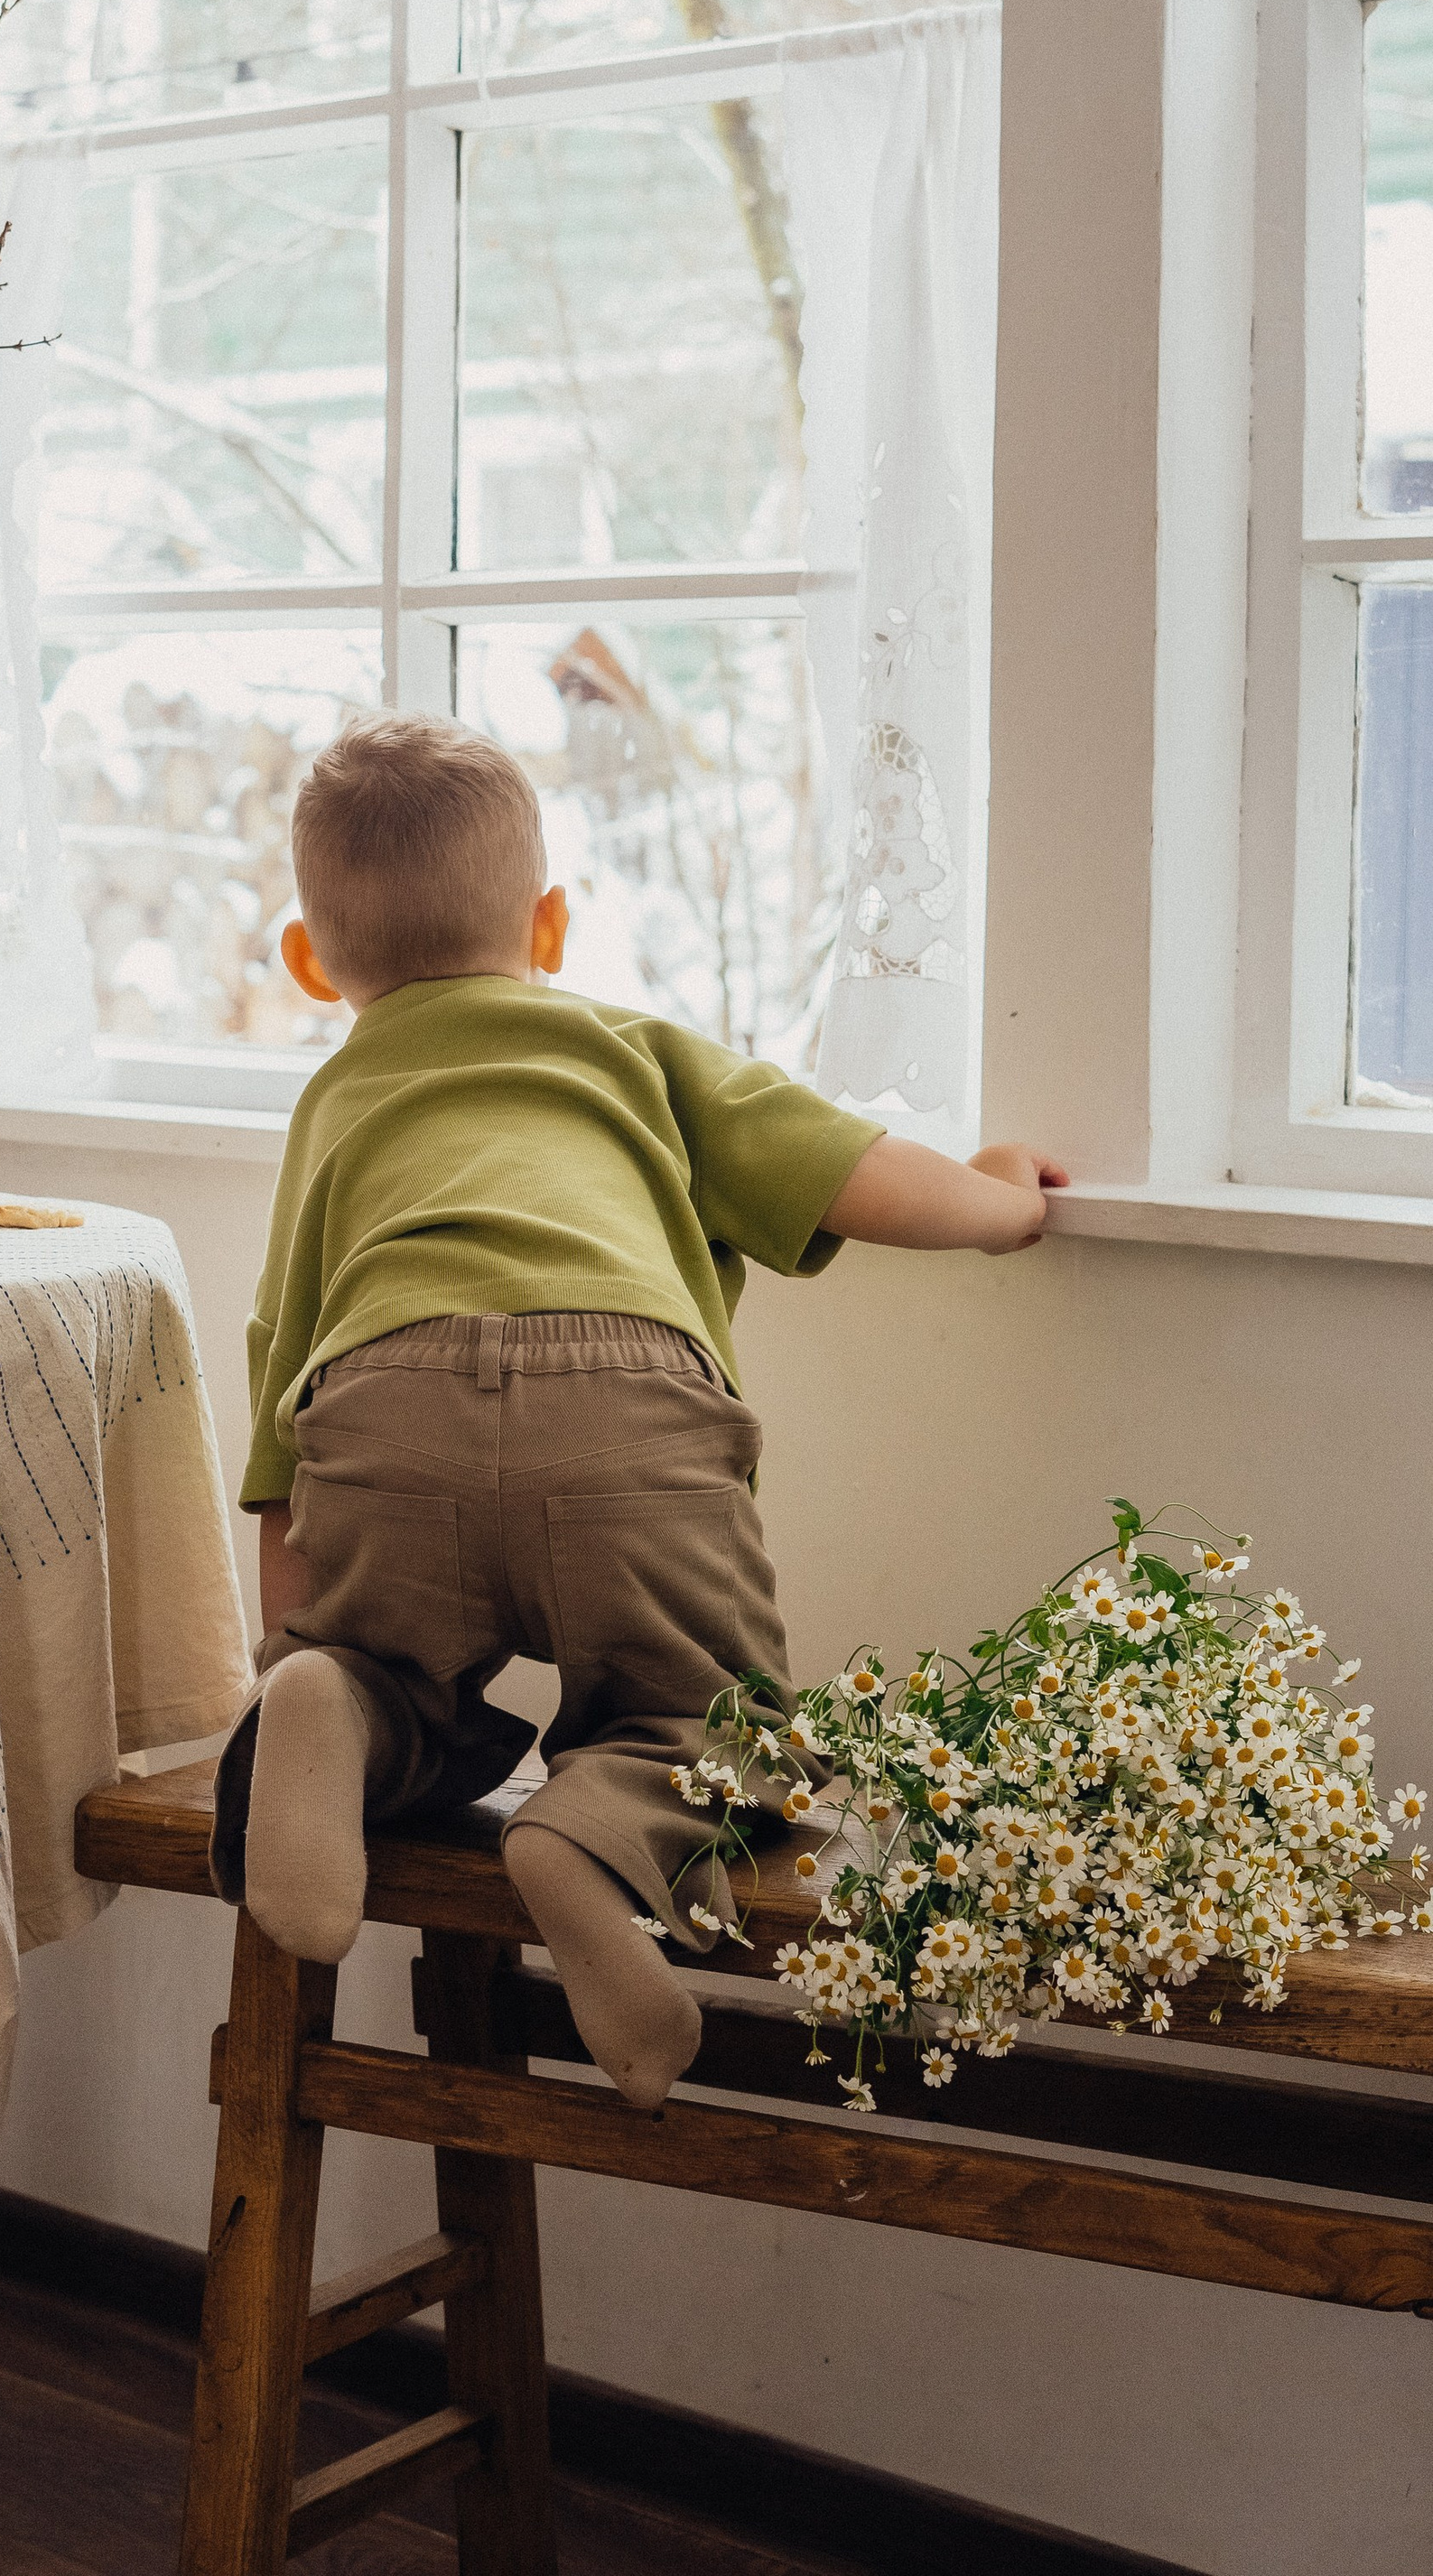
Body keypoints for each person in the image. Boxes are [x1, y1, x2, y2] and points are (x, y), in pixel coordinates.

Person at [215, 714, 1066, 2112]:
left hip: (383, 1405)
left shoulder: (335, 1100)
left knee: (383, 1675)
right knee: (721, 1728)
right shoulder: (629, 1047)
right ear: (549, 924)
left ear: (312, 963)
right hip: (627, 1408)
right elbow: (847, 1169)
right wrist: (1001, 1202)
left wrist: (294, 1637)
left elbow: (281, 1369)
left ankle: (335, 1705)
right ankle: (591, 1840)